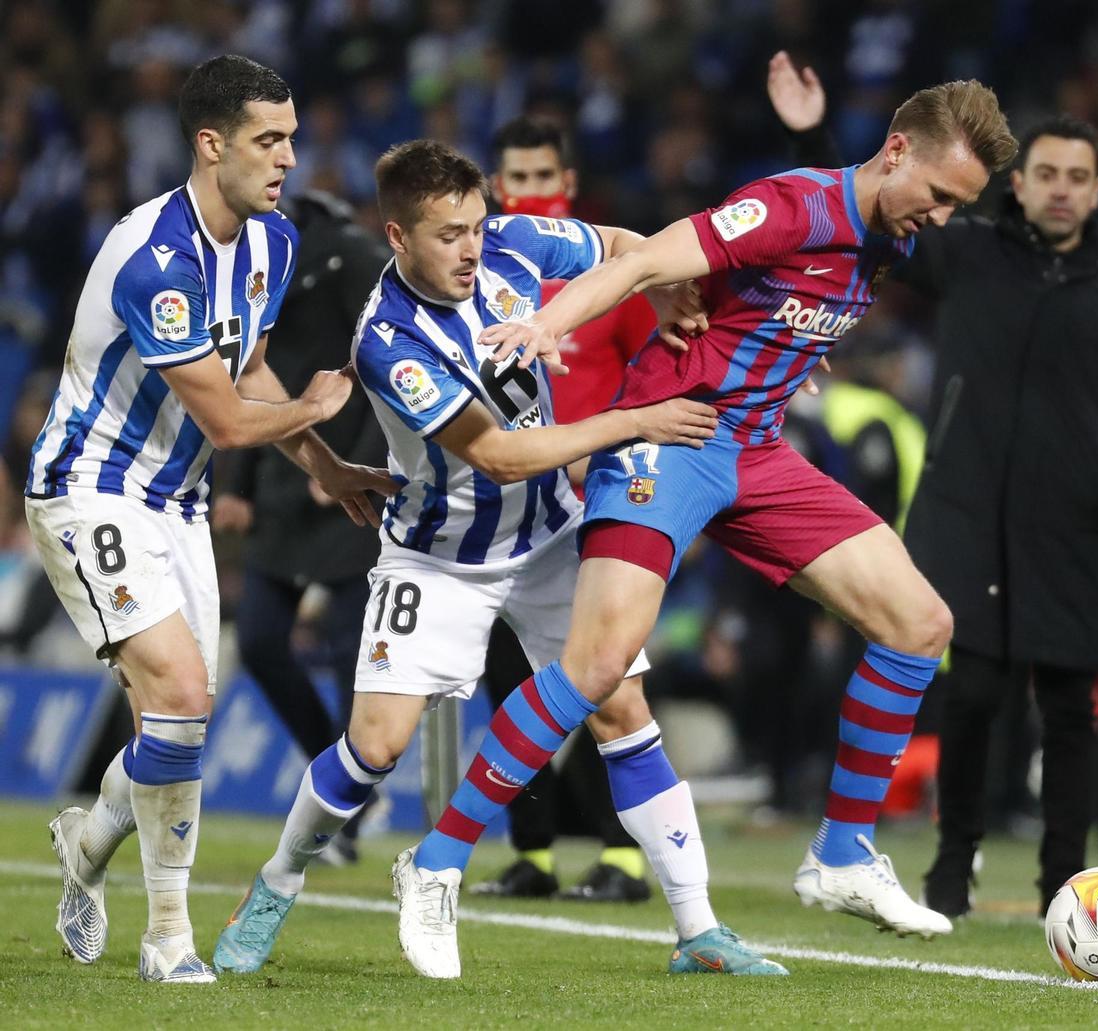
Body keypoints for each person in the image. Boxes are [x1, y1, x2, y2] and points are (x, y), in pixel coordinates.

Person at [406, 80, 1018, 975]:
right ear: (897, 153)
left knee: (920, 623)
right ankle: (435, 863)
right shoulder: (787, 206)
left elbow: (780, 310)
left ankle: (843, 854)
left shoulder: (889, 232)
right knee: (596, 667)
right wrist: (547, 322)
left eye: (958, 206)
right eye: (940, 194)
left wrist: (779, 354)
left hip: (758, 453)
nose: (942, 217)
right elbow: (647, 263)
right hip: (669, 433)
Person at [213, 140, 787, 981]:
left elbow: (628, 246)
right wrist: (636, 421)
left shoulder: (514, 244)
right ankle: (275, 882)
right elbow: (502, 457)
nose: (472, 248)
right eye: (448, 235)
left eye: (477, 227)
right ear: (398, 237)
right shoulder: (390, 339)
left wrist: (660, 286)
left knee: (622, 708)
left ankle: (699, 928)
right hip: (438, 555)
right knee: (373, 746)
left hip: (550, 538)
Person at [25, 55, 394, 984]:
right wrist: (313, 414)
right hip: (91, 487)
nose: (287, 159)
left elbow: (250, 374)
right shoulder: (156, 258)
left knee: (177, 717)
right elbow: (229, 418)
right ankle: (167, 940)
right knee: (184, 694)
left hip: (177, 501)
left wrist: (327, 463)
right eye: (270, 140)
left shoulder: (272, 241)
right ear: (211, 142)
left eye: (293, 138)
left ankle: (90, 841)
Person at [892, 117, 1098, 916]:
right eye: (1048, 173)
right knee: (973, 694)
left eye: (1078, 176)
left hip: (1069, 523)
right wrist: (809, 133)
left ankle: (1067, 884)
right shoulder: (965, 254)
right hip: (965, 515)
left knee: (1068, 702)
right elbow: (877, 221)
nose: (1062, 188)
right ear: (1018, 185)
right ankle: (951, 868)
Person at [470, 115, 657, 903]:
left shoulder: (609, 287)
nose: (531, 192)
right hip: (508, 509)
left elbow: (668, 364)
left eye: (545, 177)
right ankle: (533, 854)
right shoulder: (479, 274)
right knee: (513, 686)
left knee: (610, 685)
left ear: (568, 186)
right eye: (517, 178)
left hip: (604, 508)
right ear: (497, 187)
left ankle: (627, 855)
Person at [211, 190, 392, 863]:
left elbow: (386, 371)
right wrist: (243, 487)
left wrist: (355, 463)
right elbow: (256, 383)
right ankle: (339, 781)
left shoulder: (350, 259)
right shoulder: (255, 269)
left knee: (351, 655)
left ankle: (345, 805)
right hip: (287, 487)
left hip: (348, 490)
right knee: (258, 640)